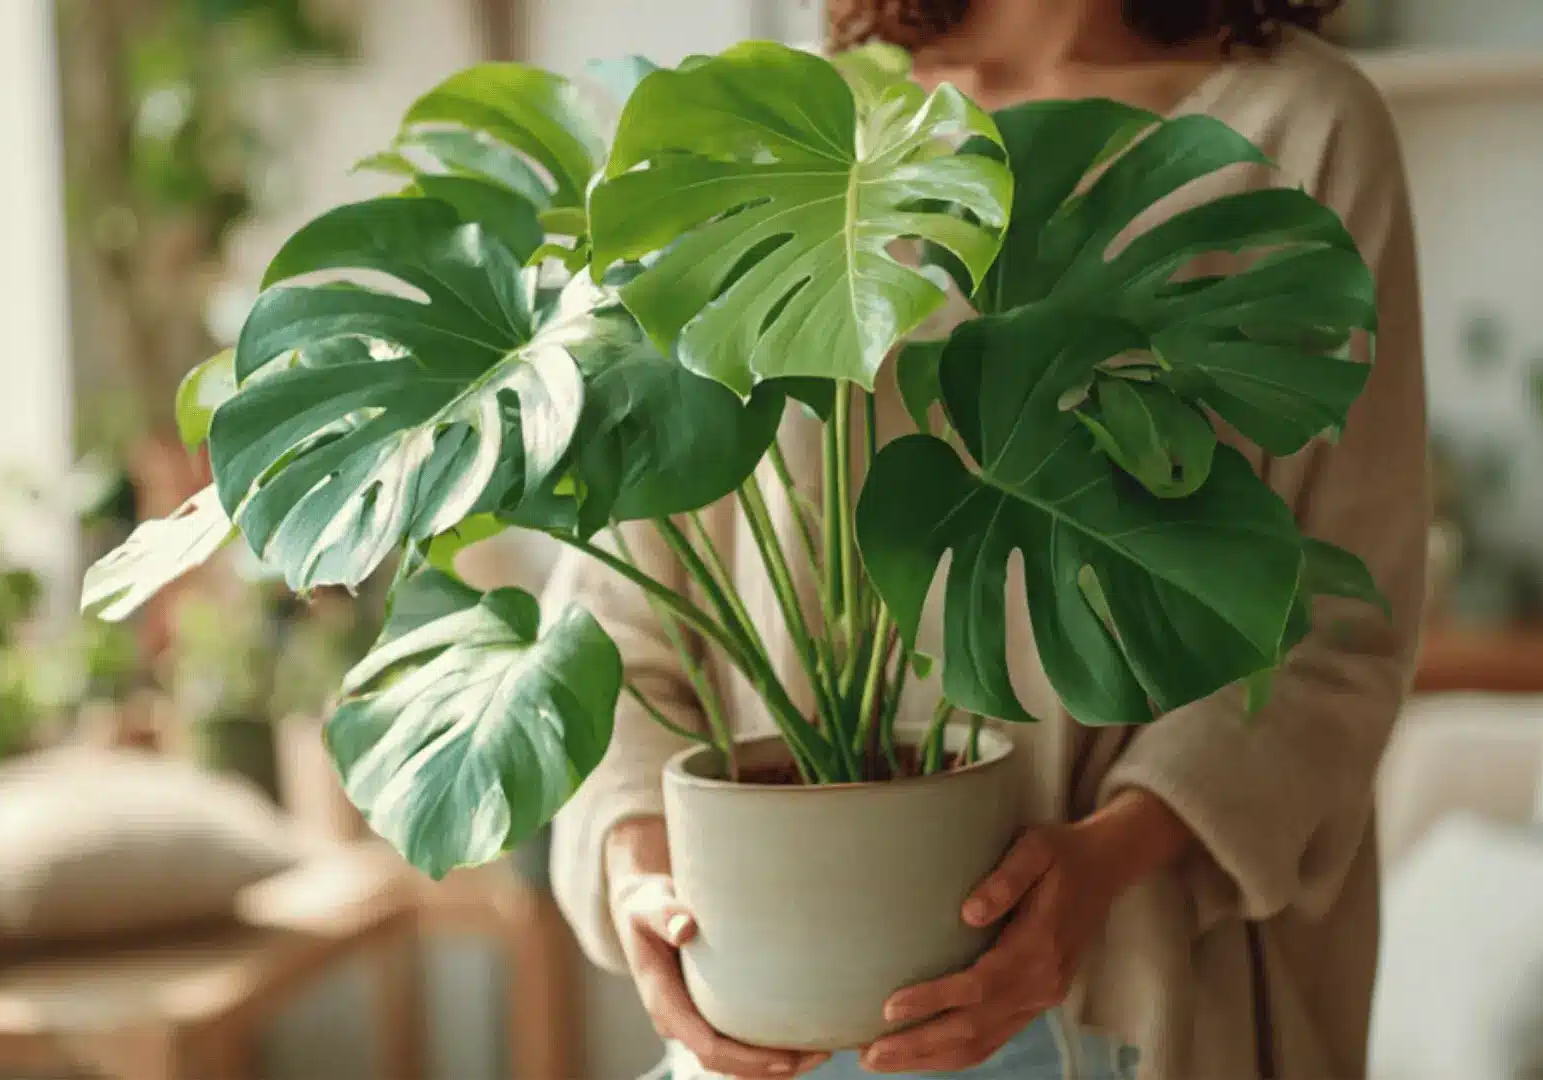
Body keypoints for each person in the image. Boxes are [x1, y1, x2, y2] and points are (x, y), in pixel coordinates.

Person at [546, 0, 1429, 1076]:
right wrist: (640, 871)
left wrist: (1102, 868)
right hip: (774, 988)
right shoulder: (773, 131)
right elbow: (616, 615)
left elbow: (1335, 634)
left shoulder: (1301, 127)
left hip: (1124, 995)